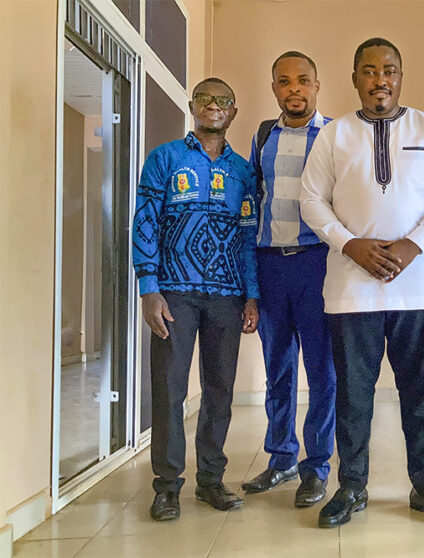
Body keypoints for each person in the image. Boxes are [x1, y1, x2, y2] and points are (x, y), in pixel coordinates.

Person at [300, 37, 424, 528]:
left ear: (401, 76)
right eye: (369, 71)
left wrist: (413, 243)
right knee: (354, 394)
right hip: (352, 286)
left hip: (419, 287)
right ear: (355, 79)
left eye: (389, 70)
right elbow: (311, 200)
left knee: (420, 391)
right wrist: (350, 244)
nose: (381, 80)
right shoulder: (334, 136)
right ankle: (351, 487)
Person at [132, 77, 260, 521]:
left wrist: (252, 296)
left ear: (233, 113)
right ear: (192, 106)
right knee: (169, 389)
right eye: (205, 99)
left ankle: (211, 480)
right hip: (174, 294)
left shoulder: (243, 171)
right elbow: (145, 220)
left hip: (227, 297)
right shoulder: (164, 159)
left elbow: (248, 238)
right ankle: (166, 486)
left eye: (223, 101)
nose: (213, 106)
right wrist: (149, 288)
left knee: (219, 390)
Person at [241, 51, 335, 508]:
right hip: (270, 265)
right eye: (284, 81)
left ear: (317, 85)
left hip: (317, 264)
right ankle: (280, 458)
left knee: (322, 370)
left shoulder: (336, 135)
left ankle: (316, 468)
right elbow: (254, 200)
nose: (293, 89)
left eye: (303, 80)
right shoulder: (263, 136)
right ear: (274, 87)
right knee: (277, 368)